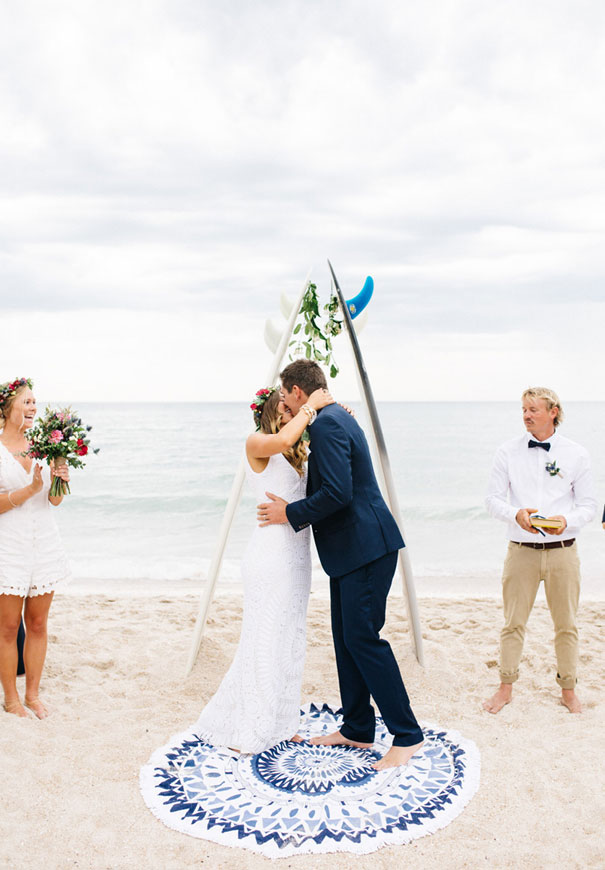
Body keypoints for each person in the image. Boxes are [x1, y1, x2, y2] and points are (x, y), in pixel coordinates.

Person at [258, 359, 424, 770]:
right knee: (347, 638)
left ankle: (407, 735)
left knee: (364, 639)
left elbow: (337, 493)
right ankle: (357, 728)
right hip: (350, 551)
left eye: (285, 396)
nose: (285, 404)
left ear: (298, 391)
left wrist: (290, 514)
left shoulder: (329, 423)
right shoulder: (331, 418)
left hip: (366, 547)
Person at [194, 384, 334, 753]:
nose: (294, 416)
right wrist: (311, 408)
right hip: (270, 558)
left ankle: (283, 723)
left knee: (289, 642)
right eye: (286, 410)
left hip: (297, 558)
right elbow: (289, 433)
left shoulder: (293, 453)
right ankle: (250, 730)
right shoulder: (256, 443)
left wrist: (337, 414)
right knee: (264, 641)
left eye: (295, 410)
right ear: (272, 412)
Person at [483, 387, 597, 715]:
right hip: (521, 550)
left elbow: (589, 505)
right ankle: (505, 687)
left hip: (564, 551)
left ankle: (568, 690)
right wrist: (515, 515)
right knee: (513, 622)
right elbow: (492, 499)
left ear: (553, 412)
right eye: (523, 409)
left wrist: (567, 520)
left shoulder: (577, 453)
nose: (527, 415)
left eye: (533, 409)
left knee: (567, 624)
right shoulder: (507, 452)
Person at [0, 378, 71, 718]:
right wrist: (29, 490)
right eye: (26, 402)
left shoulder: (46, 445)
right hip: (8, 546)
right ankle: (11, 699)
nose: (32, 408)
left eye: (34, 403)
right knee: (8, 627)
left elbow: (55, 501)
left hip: (44, 543)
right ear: (7, 407)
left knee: (39, 623)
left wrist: (60, 478)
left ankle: (32, 695)